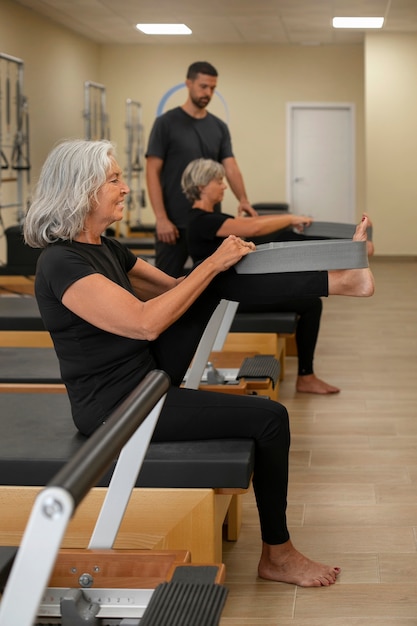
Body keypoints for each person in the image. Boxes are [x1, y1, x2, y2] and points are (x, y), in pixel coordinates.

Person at [24, 139, 374, 587]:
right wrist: (211, 266)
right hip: (117, 406)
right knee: (271, 419)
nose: (125, 188)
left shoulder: (107, 249)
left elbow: (177, 289)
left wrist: (218, 266)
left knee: (216, 277)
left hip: (146, 376)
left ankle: (343, 278)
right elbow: (146, 323)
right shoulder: (60, 263)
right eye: (113, 180)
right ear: (82, 190)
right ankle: (278, 556)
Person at [182, 158, 341, 394]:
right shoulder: (202, 221)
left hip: (233, 292)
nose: (224, 186)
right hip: (228, 298)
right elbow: (254, 228)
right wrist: (291, 218)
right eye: (219, 181)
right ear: (202, 186)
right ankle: (306, 377)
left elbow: (253, 229)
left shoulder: (208, 220)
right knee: (310, 304)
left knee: (308, 300)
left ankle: (307, 376)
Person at [146, 61, 256, 278]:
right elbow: (152, 172)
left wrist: (243, 199)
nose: (208, 93)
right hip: (173, 224)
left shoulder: (218, 127)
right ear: (189, 83)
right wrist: (161, 218)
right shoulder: (166, 123)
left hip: (208, 223)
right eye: (203, 86)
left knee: (212, 282)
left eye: (213, 88)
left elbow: (230, 166)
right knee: (164, 283)